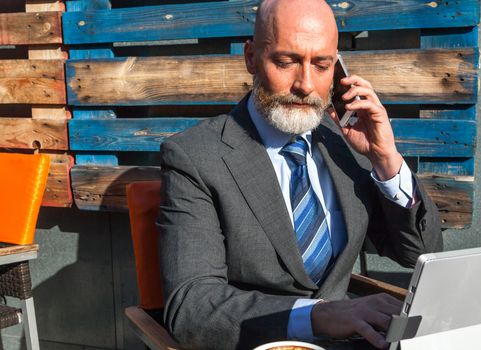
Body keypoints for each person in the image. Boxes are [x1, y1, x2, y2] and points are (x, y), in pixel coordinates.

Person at [157, 0, 442, 349]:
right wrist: (317, 316)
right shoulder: (197, 157)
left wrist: (386, 160)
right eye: (286, 62)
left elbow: (421, 254)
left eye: (321, 65)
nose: (305, 85)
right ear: (251, 58)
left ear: (338, 70)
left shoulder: (345, 142)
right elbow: (192, 306)